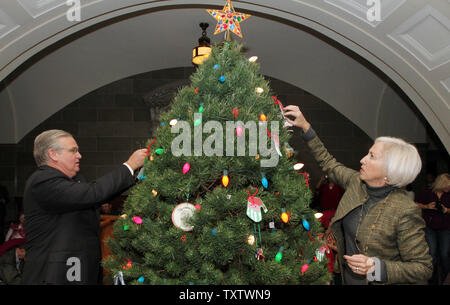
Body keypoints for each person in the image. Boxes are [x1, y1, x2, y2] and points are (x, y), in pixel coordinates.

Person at [283, 105, 432, 285]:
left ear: (389, 171)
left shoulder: (404, 210)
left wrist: (376, 267)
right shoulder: (356, 183)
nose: (363, 159)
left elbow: (422, 268)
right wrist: (306, 127)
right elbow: (328, 163)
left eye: (372, 156)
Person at [22, 129, 147, 285]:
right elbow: (93, 193)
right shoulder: (43, 180)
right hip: (56, 276)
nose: (79, 155)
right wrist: (130, 165)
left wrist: (138, 173)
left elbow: (99, 194)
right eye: (73, 151)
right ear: (53, 154)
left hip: (77, 272)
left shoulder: (73, 181)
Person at [415, 173, 450, 285]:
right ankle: (432, 280)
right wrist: (427, 206)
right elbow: (414, 204)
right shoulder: (427, 193)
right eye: (447, 185)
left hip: (445, 227)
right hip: (430, 227)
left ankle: (446, 280)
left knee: (445, 255)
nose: (448, 188)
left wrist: (447, 210)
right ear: (441, 183)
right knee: (432, 254)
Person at [99, 202, 119, 284]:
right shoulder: (99, 216)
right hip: (103, 245)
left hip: (114, 245)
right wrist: (108, 221)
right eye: (103, 207)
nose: (105, 208)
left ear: (110, 206)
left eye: (106, 206)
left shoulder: (117, 215)